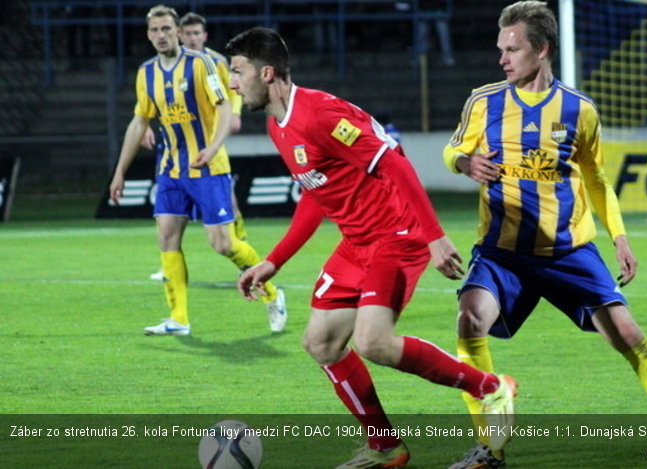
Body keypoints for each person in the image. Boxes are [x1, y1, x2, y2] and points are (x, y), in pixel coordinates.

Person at [441, 2, 647, 468]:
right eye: (501, 49)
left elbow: (597, 179)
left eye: (512, 49)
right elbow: (453, 149)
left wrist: (619, 236)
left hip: (568, 252)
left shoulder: (580, 111)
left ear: (542, 49)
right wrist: (463, 162)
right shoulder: (483, 101)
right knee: (469, 318)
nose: (502, 59)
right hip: (503, 253)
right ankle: (489, 448)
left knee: (628, 335)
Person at [225, 27, 517, 468]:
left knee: (373, 341)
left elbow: (394, 162)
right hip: (357, 243)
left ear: (266, 73)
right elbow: (315, 193)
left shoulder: (320, 114)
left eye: (236, 71)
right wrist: (273, 261)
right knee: (321, 342)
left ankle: (491, 387)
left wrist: (434, 235)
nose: (231, 82)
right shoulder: (277, 127)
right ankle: (386, 447)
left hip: (398, 236)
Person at [108, 5, 286, 336]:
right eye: (154, 31)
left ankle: (273, 295)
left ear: (177, 31)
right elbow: (139, 121)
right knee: (166, 236)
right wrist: (120, 171)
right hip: (170, 169)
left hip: (207, 167)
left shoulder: (201, 63)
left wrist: (214, 147)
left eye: (166, 29)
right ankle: (178, 319)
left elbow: (221, 106)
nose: (160, 35)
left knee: (223, 244)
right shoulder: (146, 72)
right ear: (148, 35)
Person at [145, 12, 253, 281]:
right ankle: (169, 263)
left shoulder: (212, 62)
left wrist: (235, 114)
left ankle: (242, 247)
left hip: (208, 141)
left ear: (204, 36)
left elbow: (229, 93)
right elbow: (154, 98)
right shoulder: (159, 67)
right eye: (188, 33)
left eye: (197, 34)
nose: (192, 38)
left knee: (228, 210)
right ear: (180, 34)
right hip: (175, 147)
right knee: (168, 220)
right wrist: (146, 123)